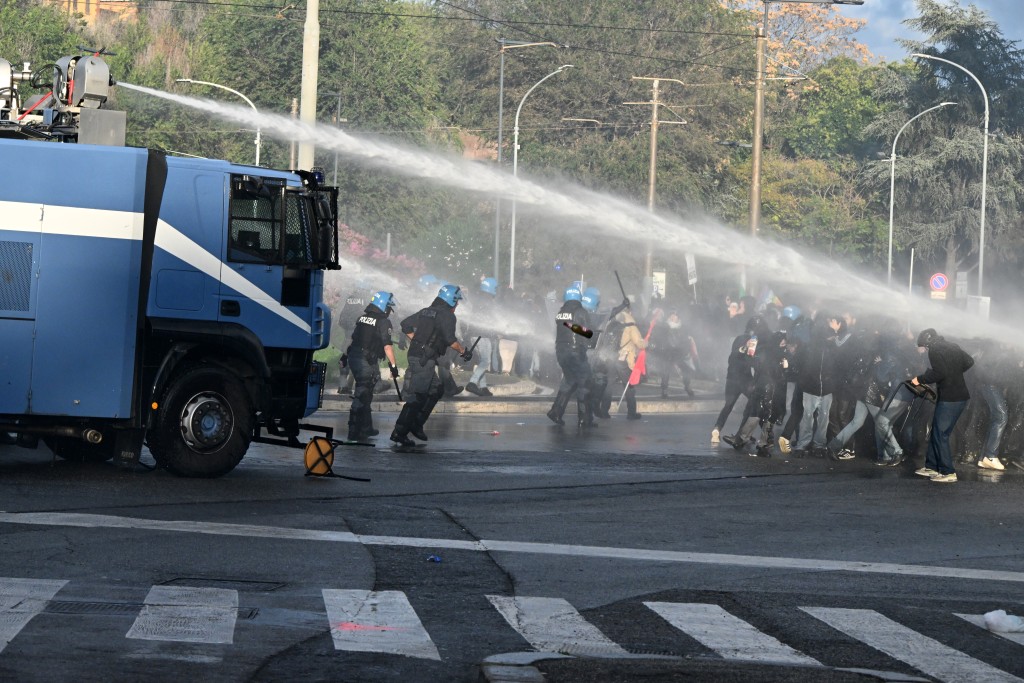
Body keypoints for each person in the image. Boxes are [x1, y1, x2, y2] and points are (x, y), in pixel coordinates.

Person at [391, 284, 473, 447]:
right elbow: (450, 340)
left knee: (436, 389)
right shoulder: (447, 316)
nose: (457, 306)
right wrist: (464, 352)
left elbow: (405, 324)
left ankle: (416, 424)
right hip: (423, 359)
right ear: (452, 301)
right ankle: (399, 432)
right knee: (417, 397)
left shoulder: (426, 311)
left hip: (418, 356)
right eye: (457, 302)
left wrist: (417, 341)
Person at [912, 328, 975, 482]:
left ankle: (948, 472)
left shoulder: (934, 351)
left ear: (926, 343)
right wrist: (955, 373)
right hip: (960, 396)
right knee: (937, 431)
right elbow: (969, 361)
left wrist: (920, 379)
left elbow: (939, 373)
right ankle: (932, 466)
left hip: (950, 398)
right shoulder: (952, 345)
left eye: (922, 346)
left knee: (941, 434)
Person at [345, 291, 399, 442]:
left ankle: (366, 427)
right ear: (383, 306)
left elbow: (353, 339)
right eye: (389, 307)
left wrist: (344, 356)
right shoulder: (383, 321)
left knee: (367, 392)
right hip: (365, 361)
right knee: (362, 393)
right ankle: (353, 431)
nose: (389, 311)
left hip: (355, 357)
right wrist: (393, 367)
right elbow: (387, 346)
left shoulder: (362, 318)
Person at [792, 313, 840, 457]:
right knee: (814, 418)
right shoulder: (809, 348)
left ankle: (814, 445)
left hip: (823, 387)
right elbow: (799, 365)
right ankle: (807, 445)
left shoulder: (830, 347)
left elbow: (837, 366)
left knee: (817, 418)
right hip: (813, 387)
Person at [548, 283, 594, 428]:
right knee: (584, 382)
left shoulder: (561, 312)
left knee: (569, 380)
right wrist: (591, 335)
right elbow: (586, 332)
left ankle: (555, 412)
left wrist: (570, 325)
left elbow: (565, 327)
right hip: (576, 352)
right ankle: (584, 418)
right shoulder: (581, 311)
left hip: (560, 352)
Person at [711, 317, 756, 443]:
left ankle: (717, 428)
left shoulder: (737, 339)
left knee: (728, 405)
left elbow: (733, 356)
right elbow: (751, 359)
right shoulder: (752, 341)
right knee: (753, 400)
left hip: (731, 378)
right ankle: (744, 432)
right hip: (745, 379)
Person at [650, 309, 696, 398]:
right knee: (666, 371)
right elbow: (658, 338)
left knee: (687, 369)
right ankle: (664, 389)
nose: (672, 317)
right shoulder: (664, 326)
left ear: (678, 317)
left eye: (674, 315)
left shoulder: (682, 327)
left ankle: (687, 386)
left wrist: (685, 351)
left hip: (679, 353)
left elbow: (686, 340)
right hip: (668, 352)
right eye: (671, 315)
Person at [465, 277, 498, 397]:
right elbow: (490, 320)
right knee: (486, 361)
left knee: (482, 360)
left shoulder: (479, 300)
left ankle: (483, 387)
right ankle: (472, 383)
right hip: (483, 335)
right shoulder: (488, 301)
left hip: (474, 334)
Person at [616, 307, 648, 420]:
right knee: (629, 387)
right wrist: (646, 342)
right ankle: (631, 413)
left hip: (615, 357)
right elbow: (640, 344)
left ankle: (603, 410)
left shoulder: (617, 325)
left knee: (609, 383)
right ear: (630, 313)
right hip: (626, 359)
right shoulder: (631, 327)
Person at [337, 284, 369, 394]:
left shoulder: (349, 300)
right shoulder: (366, 300)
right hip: (360, 336)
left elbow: (341, 320)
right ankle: (354, 386)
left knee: (345, 359)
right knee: (359, 360)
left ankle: (343, 386)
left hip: (348, 335)